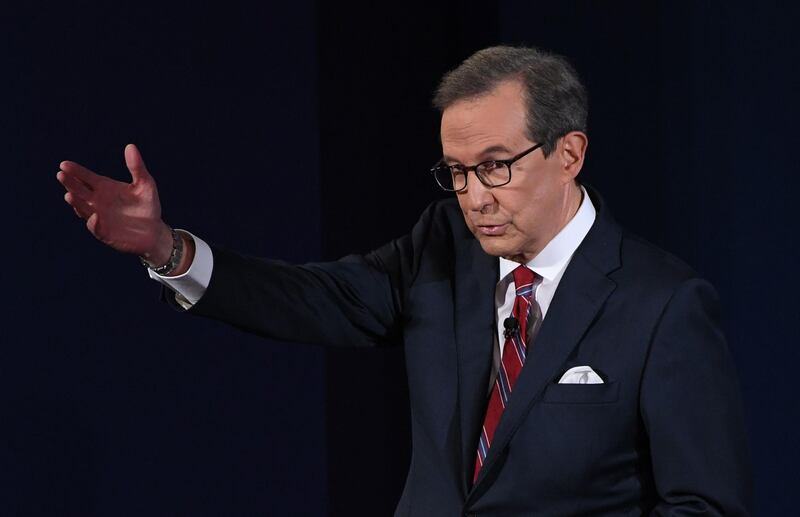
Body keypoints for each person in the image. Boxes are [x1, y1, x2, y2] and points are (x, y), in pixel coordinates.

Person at [57, 46, 751, 515]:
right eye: (456, 171)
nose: (473, 195)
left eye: (495, 165)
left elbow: (706, 505)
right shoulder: (443, 245)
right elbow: (317, 300)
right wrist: (168, 247)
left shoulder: (663, 305)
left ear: (568, 153)